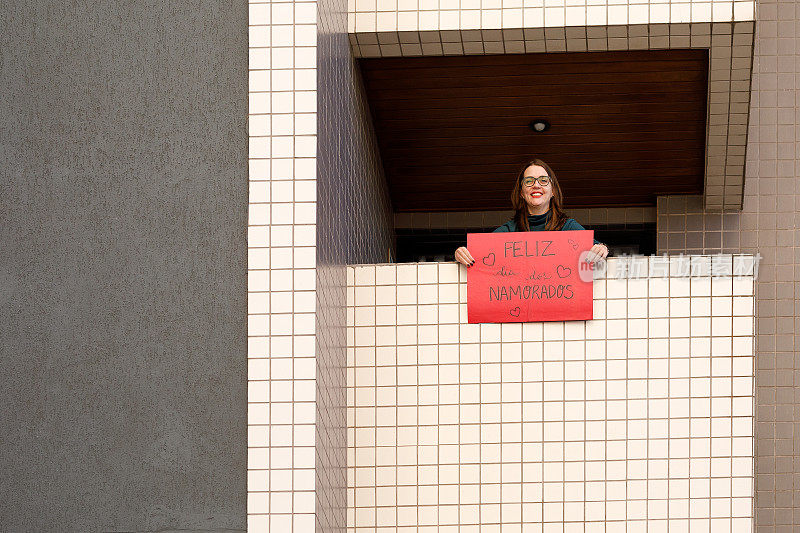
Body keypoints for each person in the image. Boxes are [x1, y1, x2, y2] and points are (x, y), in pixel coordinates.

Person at [454, 158, 610, 267]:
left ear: (553, 190)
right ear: (521, 192)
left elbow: (595, 249)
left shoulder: (568, 227)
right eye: (529, 181)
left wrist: (602, 248)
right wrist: (459, 253)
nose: (536, 185)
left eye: (543, 180)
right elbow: (476, 252)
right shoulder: (509, 230)